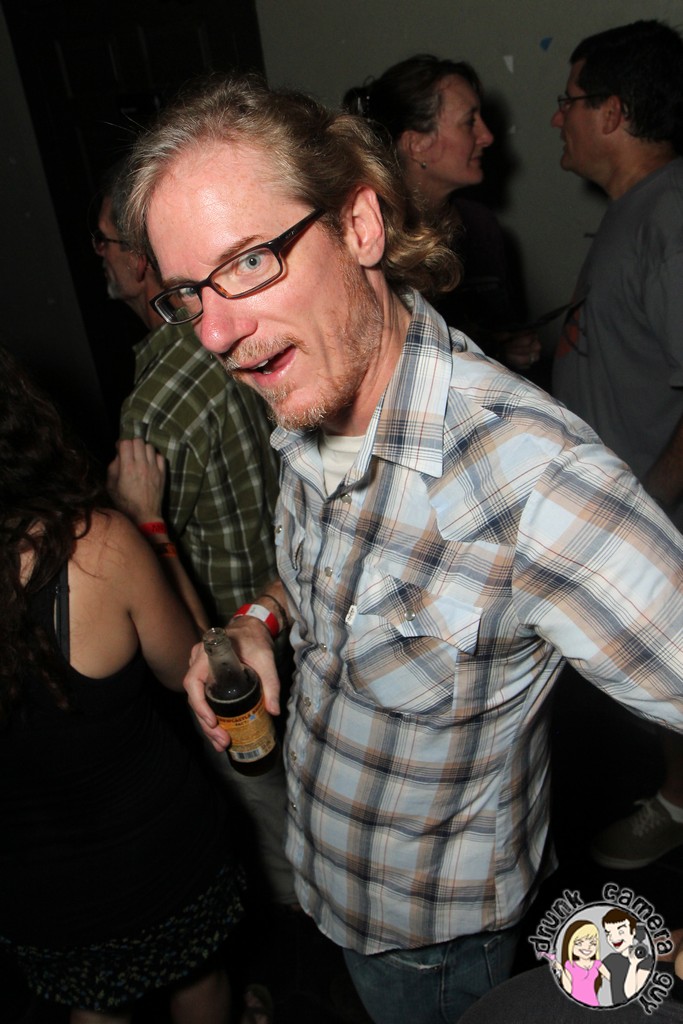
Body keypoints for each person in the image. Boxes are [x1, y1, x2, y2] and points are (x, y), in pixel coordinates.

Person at [118, 73, 683, 1024]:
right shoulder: (308, 389)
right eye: (185, 292)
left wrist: (657, 980)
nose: (213, 331)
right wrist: (257, 621)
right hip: (336, 877)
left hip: (437, 941)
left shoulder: (530, 483)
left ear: (361, 226)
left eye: (249, 260)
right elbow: (322, 575)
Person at [0, 346, 244, 1023]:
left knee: (97, 1011)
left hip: (34, 887)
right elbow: (192, 664)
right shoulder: (95, 548)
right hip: (157, 857)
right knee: (200, 982)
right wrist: (147, 524)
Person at [94, 170, 298, 912]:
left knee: (276, 828)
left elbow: (158, 607)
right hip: (289, 610)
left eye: (105, 241)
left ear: (141, 260)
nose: (97, 255)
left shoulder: (153, 408)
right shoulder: (235, 338)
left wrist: (138, 520)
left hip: (232, 664)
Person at [551, 19, 683, 872]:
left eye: (567, 100)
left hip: (655, 524)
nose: (554, 117)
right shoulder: (638, 212)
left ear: (612, 112)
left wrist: (647, 502)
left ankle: (676, 805)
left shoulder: (669, 216)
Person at [343, 54, 542, 374]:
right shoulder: (366, 239)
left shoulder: (482, 228)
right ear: (417, 145)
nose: (487, 136)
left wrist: (504, 349)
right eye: (469, 122)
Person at [552, 921, 609, 1007]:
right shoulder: (569, 965)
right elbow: (568, 989)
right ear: (570, 944)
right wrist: (561, 970)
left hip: (593, 1004)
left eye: (593, 943)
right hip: (574, 1005)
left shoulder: (597, 964)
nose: (587, 947)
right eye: (579, 943)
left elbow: (613, 979)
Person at [602, 910, 653, 1005]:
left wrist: (633, 964)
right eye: (608, 933)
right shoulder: (611, 959)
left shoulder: (645, 960)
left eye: (620, 931)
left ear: (633, 932)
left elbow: (631, 994)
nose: (613, 938)